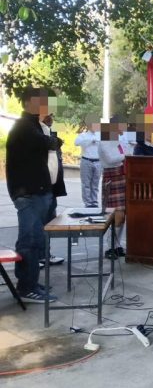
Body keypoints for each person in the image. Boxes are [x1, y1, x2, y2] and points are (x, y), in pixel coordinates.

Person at [5, 87, 60, 303]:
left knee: (37, 241)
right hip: (27, 193)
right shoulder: (23, 127)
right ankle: (25, 287)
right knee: (28, 241)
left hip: (39, 191)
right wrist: (48, 133)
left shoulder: (35, 125)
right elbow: (49, 144)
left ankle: (32, 282)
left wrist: (46, 128)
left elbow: (51, 145)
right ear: (29, 102)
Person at [99, 116, 128, 258]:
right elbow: (111, 159)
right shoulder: (105, 141)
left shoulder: (118, 141)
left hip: (122, 177)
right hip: (112, 178)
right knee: (115, 215)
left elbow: (124, 155)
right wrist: (125, 155)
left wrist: (125, 155)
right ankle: (109, 246)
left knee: (123, 215)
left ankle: (117, 245)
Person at [40, 112, 66, 266]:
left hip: (52, 186)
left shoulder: (50, 133)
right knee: (40, 223)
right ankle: (39, 256)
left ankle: (46, 254)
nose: (50, 118)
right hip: (42, 186)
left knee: (49, 220)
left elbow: (56, 159)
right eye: (47, 115)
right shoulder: (38, 133)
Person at [74, 120, 102, 207]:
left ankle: (94, 201)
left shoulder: (100, 135)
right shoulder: (83, 135)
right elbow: (76, 143)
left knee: (95, 183)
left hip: (98, 161)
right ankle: (88, 203)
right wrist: (90, 140)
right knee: (86, 183)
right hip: (86, 161)